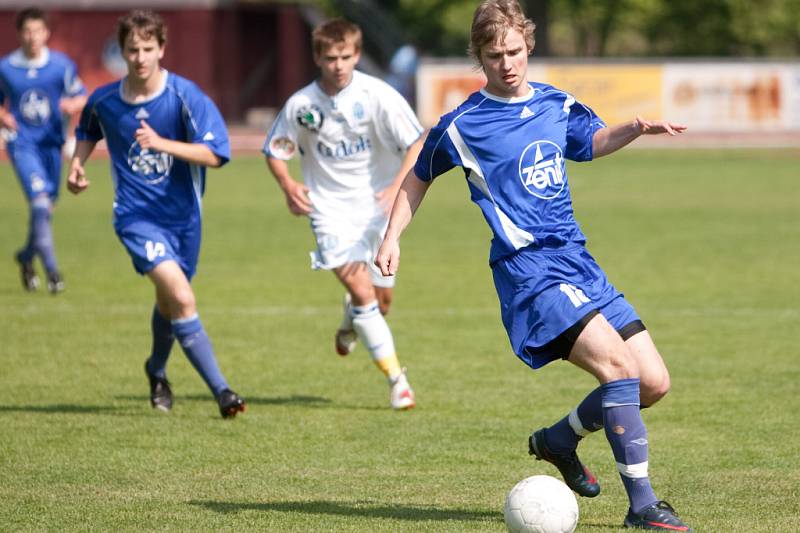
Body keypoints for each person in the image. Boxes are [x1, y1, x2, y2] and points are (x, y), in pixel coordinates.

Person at [376, 1, 692, 530]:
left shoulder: (555, 103)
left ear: (529, 47)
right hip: (529, 271)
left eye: (515, 51)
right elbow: (418, 176)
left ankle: (559, 439)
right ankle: (642, 506)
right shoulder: (462, 125)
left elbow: (588, 144)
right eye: (494, 54)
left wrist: (633, 128)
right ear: (478, 56)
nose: (507, 63)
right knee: (619, 369)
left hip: (578, 259)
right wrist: (393, 237)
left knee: (652, 382)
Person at [67, 9, 246, 419]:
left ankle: (156, 370)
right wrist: (77, 166)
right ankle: (223, 392)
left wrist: (163, 144)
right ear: (122, 51)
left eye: (148, 49)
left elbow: (217, 154)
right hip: (135, 218)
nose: (141, 57)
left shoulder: (185, 96)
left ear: (162, 48)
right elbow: (87, 130)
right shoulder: (105, 100)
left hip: (185, 220)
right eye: (133, 49)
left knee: (169, 304)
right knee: (182, 297)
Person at [263, 18, 424, 410]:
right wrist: (289, 186)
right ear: (318, 57)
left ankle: (349, 320)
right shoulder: (301, 105)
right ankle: (397, 381)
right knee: (362, 291)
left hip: (376, 211)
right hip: (328, 211)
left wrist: (396, 185)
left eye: (346, 56)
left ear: (356, 54)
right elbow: (275, 150)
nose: (338, 64)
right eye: (331, 57)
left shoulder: (377, 95)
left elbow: (418, 141)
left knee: (381, 302)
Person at [0, 7, 86, 293]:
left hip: (52, 145)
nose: (32, 36)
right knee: (38, 202)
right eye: (27, 31)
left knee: (45, 210)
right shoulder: (7, 68)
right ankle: (52, 272)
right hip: (21, 144)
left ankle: (25, 257)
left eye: (37, 30)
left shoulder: (60, 66)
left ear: (46, 33)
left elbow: (81, 96)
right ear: (19, 34)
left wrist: (71, 105)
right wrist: (4, 116)